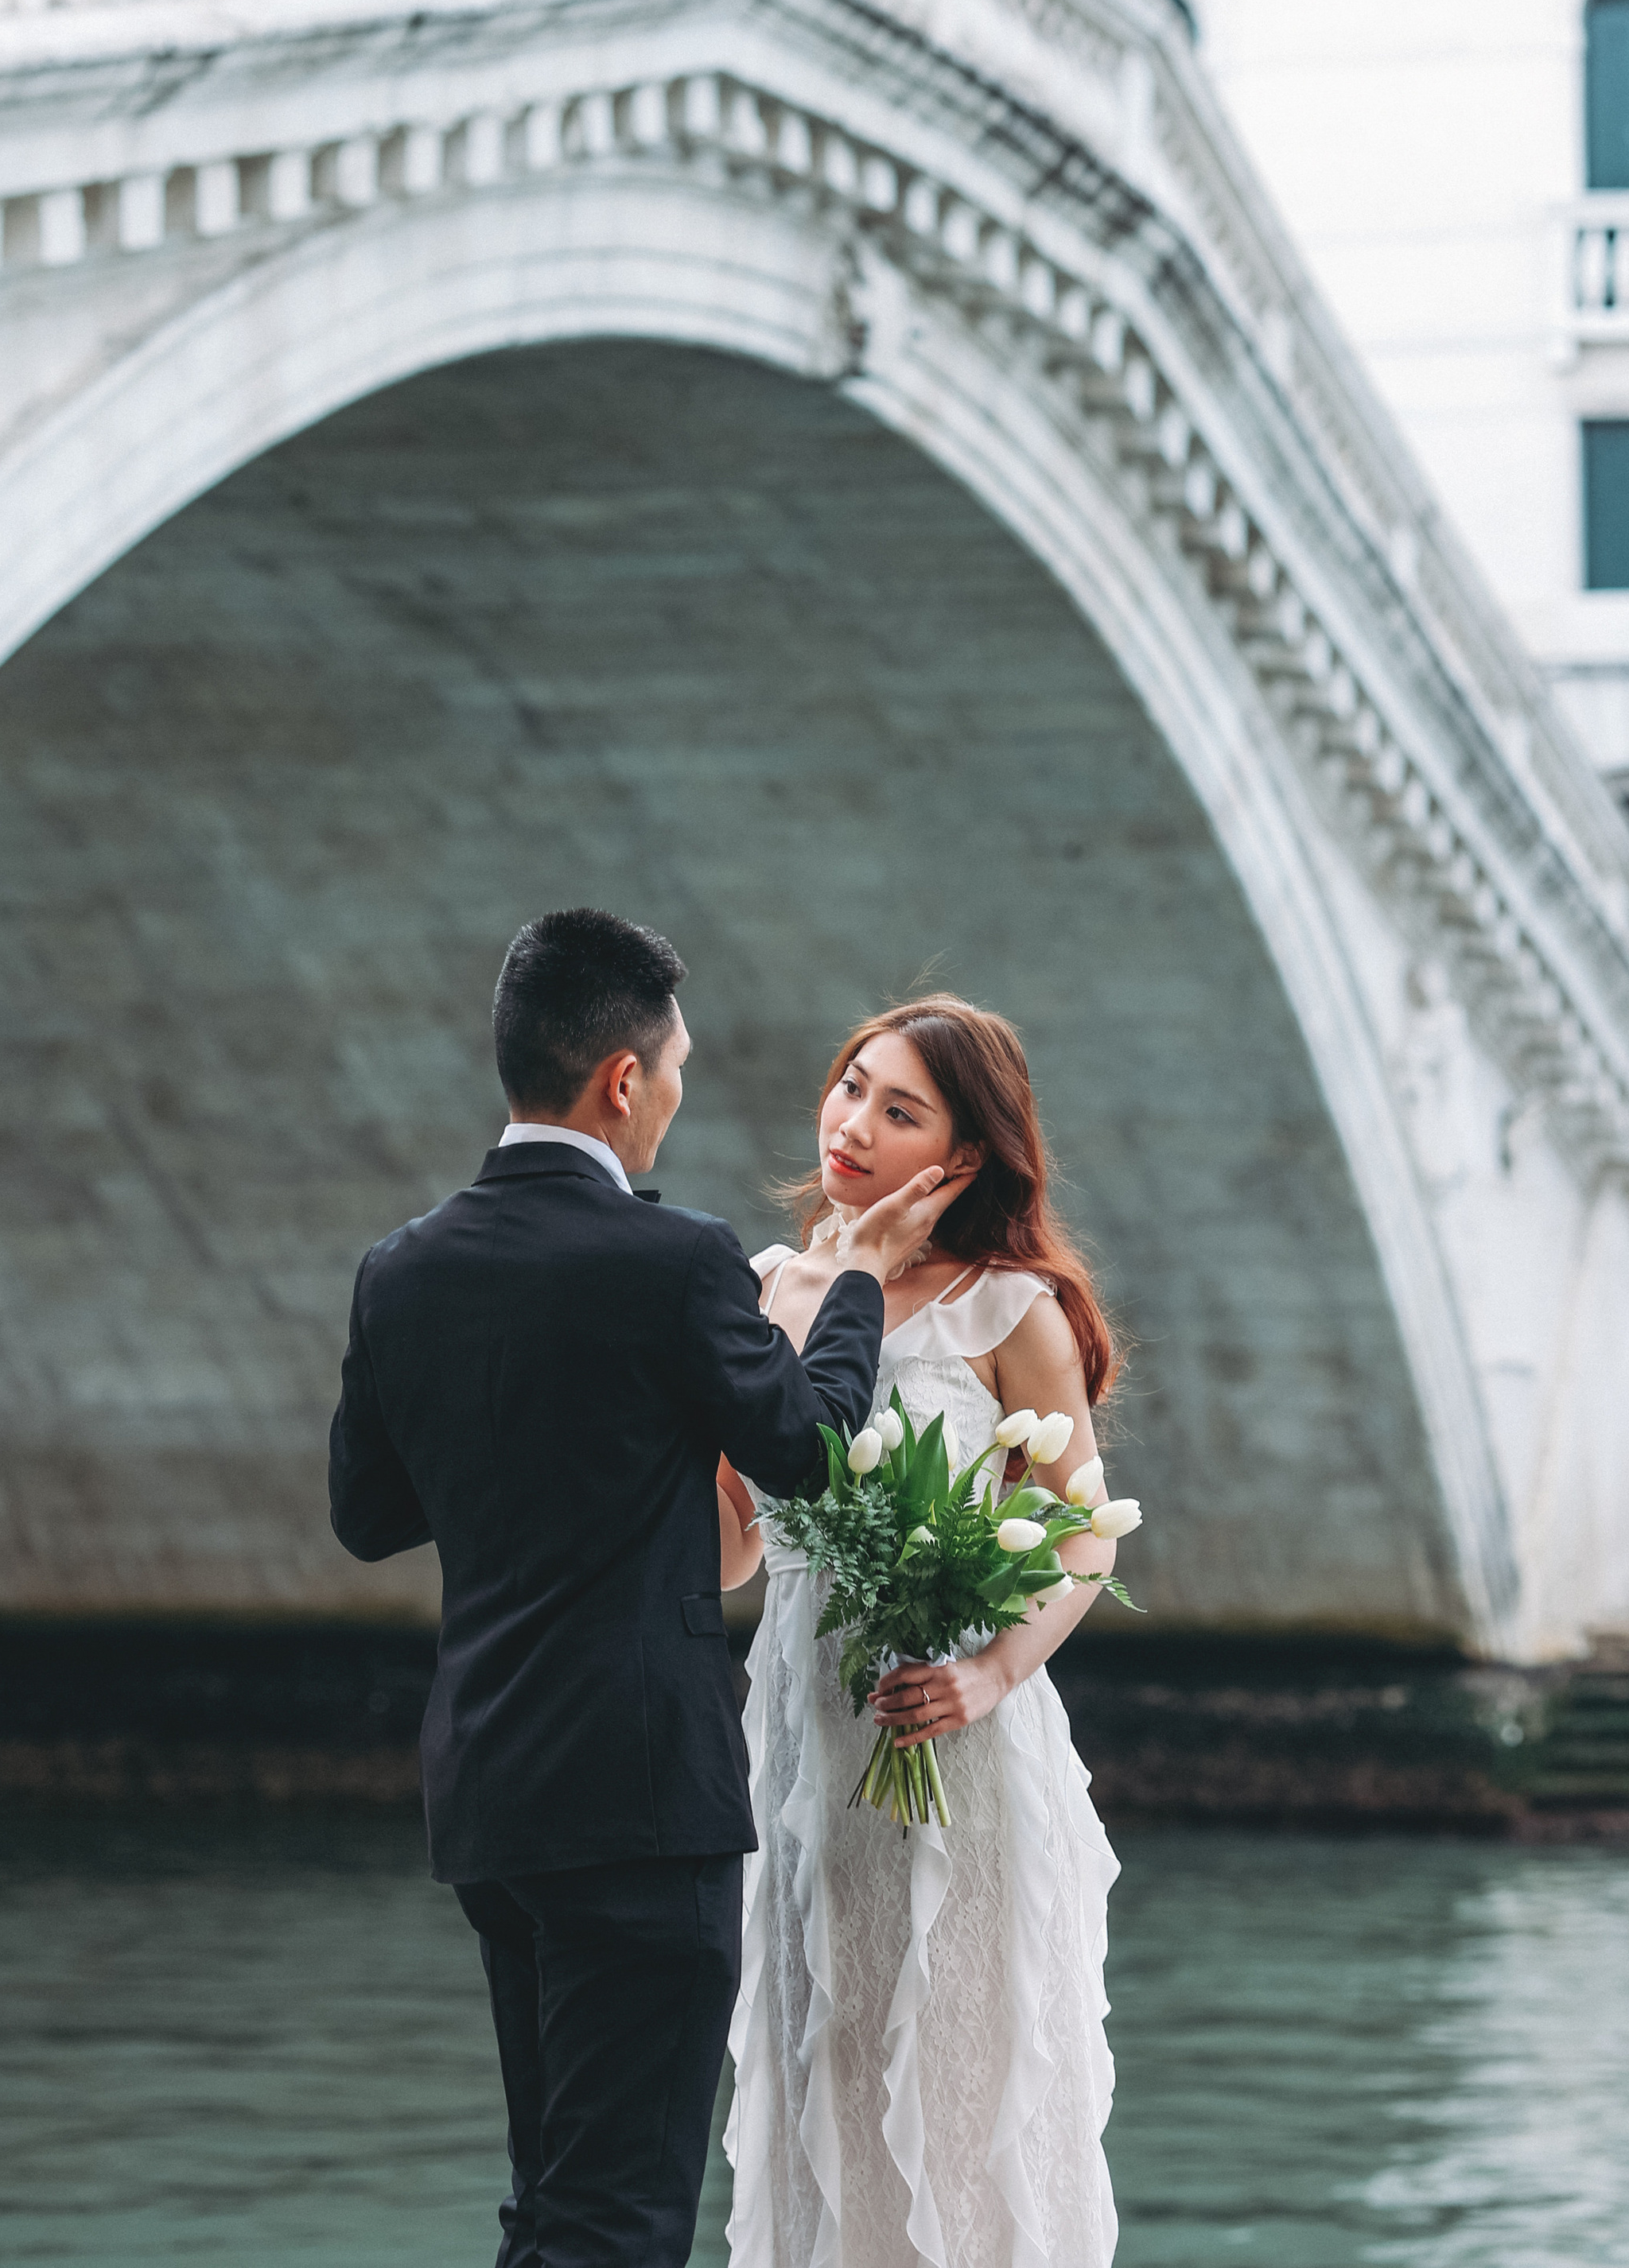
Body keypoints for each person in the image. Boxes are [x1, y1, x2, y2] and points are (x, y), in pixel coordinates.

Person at [327, 908, 960, 2268]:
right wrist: (857, 1281)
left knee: (549, 2202)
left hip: (490, 1791)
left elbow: (369, 1516)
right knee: (619, 2220)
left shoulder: (401, 1269)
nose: (677, 1094)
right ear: (624, 1080)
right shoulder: (672, 1260)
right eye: (674, 1068)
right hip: (636, 1794)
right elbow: (811, 1446)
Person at [720, 996, 1123, 2268]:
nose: (853, 1124)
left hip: (956, 1744)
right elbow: (738, 1543)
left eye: (900, 1111)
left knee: (956, 2069)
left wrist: (991, 1672)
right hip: (799, 1733)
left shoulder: (1010, 1309)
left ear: (965, 1155)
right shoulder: (760, 1289)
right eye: (851, 1086)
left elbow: (1085, 1533)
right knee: (816, 2057)